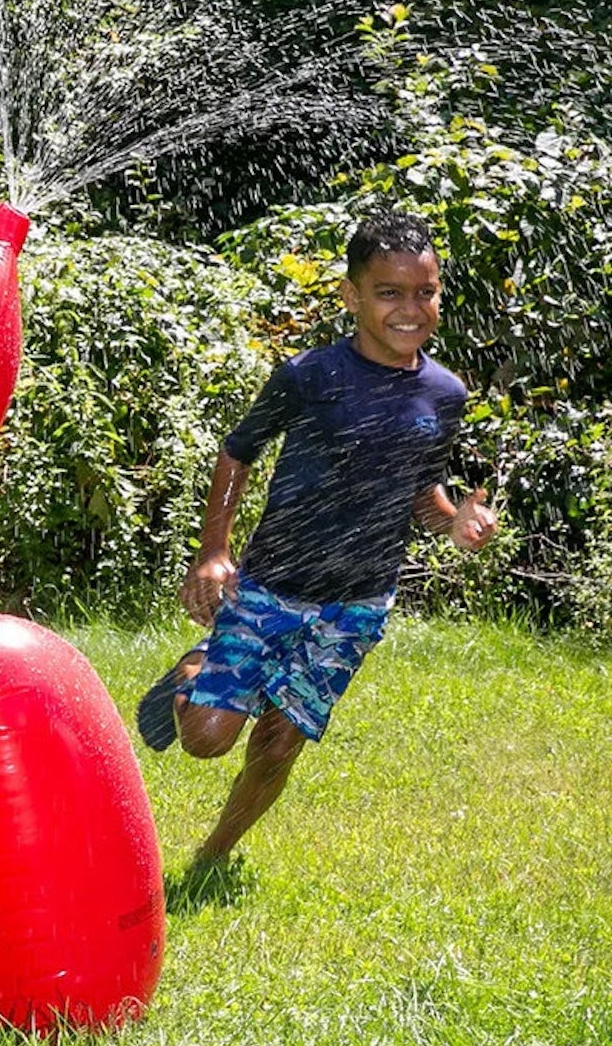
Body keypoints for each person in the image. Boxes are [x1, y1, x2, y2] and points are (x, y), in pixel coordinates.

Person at [136, 213, 498, 870]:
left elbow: (422, 491)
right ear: (352, 296)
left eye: (426, 292)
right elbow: (238, 451)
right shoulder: (310, 377)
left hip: (356, 604)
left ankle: (215, 853)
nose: (410, 309)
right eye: (389, 292)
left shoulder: (445, 395)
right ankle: (194, 671)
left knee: (279, 742)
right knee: (207, 739)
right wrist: (214, 551)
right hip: (272, 586)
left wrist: (453, 521)